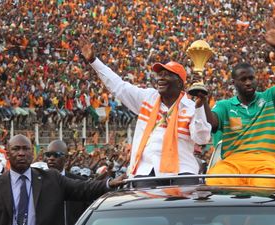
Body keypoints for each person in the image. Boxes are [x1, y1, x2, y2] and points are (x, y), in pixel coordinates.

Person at [78, 37, 212, 187]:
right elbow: (118, 86)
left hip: (182, 171)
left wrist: (200, 108)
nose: (161, 78)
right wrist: (93, 60)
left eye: (167, 75)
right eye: (159, 74)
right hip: (146, 170)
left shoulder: (190, 108)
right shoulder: (148, 98)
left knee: (184, 201)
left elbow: (202, 139)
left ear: (180, 83)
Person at [0, 134, 125, 225]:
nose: (21, 153)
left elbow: (83, 188)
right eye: (16, 149)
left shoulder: (51, 179)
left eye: (25, 149)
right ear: (7, 154)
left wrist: (108, 183)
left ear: (33, 153)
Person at [201, 18, 275, 187]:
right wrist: (203, 101)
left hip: (265, 162)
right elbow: (212, 124)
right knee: (215, 181)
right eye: (243, 79)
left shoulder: (269, 99)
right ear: (234, 83)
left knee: (263, 186)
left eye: (251, 78)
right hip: (233, 163)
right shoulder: (225, 106)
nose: (248, 82)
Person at [45, 140, 89, 225]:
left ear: (66, 158)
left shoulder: (80, 182)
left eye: (56, 155)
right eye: (48, 155)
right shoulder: (38, 183)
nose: (51, 158)